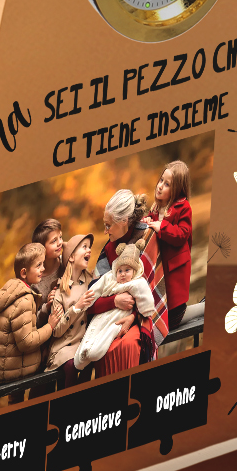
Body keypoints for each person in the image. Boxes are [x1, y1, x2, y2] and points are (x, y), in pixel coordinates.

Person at [87, 189, 167, 374]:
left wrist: (133, 317)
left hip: (142, 317)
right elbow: (90, 301)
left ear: (123, 221)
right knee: (102, 348)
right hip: (110, 317)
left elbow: (153, 292)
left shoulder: (148, 238)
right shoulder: (109, 248)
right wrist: (114, 301)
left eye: (108, 225)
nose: (105, 231)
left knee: (128, 345)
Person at [0, 243, 80, 388]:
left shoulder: (13, 290)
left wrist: (46, 307)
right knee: (52, 364)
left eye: (43, 264)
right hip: (10, 371)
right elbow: (26, 342)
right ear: (24, 273)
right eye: (38, 265)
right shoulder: (25, 299)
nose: (43, 269)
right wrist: (50, 326)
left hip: (1, 369)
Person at [72, 244, 156, 370]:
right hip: (103, 314)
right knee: (93, 331)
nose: (122, 274)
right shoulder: (109, 278)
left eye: (127, 270)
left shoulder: (136, 283)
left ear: (134, 271)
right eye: (120, 271)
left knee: (106, 336)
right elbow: (96, 289)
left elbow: (146, 301)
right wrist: (87, 301)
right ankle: (81, 358)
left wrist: (144, 310)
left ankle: (93, 352)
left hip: (118, 317)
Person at [40, 234, 98, 387]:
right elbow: (57, 331)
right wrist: (76, 308)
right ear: (71, 257)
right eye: (84, 247)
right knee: (71, 365)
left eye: (89, 247)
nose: (89, 250)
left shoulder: (92, 282)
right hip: (63, 347)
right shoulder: (59, 291)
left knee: (91, 359)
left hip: (84, 343)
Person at [144, 160, 194, 329]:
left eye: (167, 184)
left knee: (173, 318)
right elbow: (152, 228)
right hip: (160, 269)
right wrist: (147, 222)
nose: (160, 186)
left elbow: (182, 234)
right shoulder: (156, 208)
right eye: (161, 180)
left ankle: (203, 308)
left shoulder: (183, 207)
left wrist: (162, 227)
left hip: (174, 270)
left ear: (177, 189)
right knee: (159, 315)